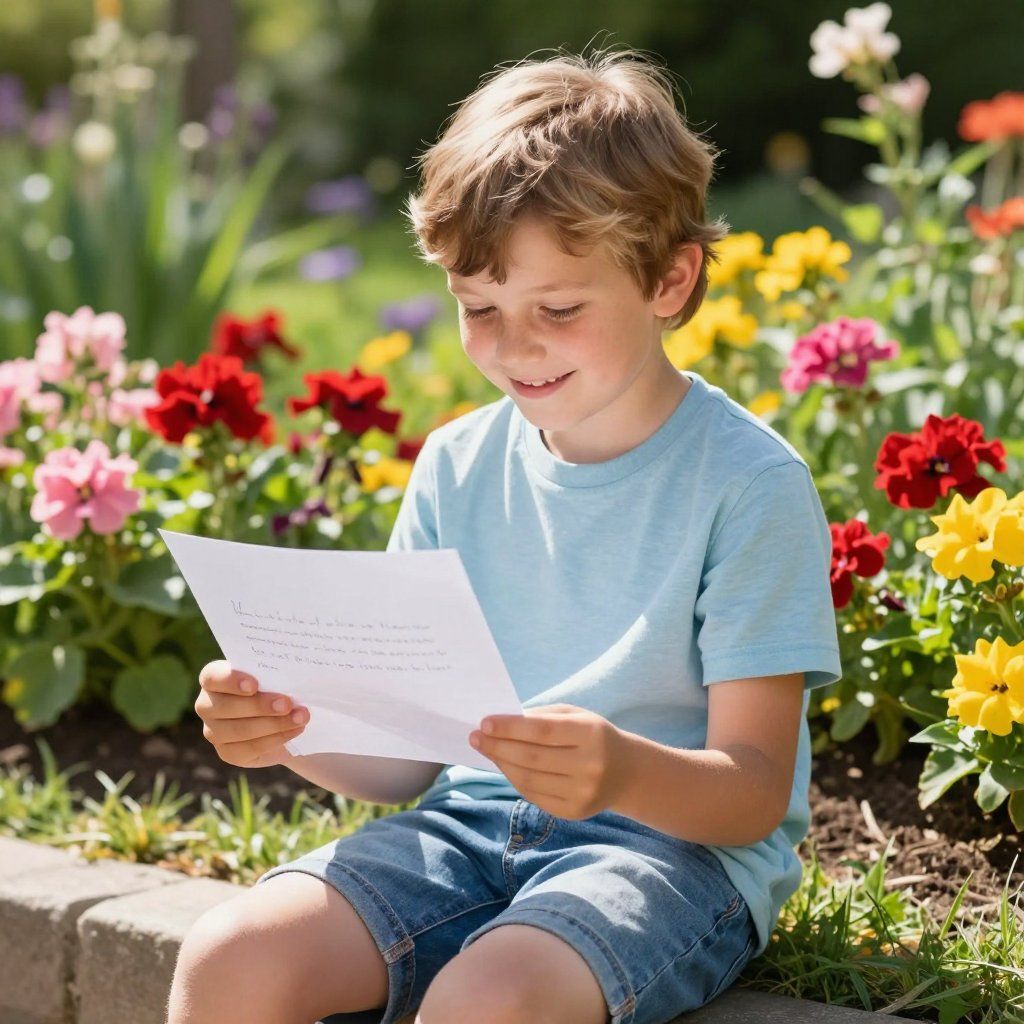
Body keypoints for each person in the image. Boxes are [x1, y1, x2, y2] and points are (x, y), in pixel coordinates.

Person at [167, 45, 842, 1024]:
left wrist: (619, 767)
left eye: (556, 308)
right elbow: (403, 762)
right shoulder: (454, 463)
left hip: (667, 853)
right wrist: (291, 729)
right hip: (470, 824)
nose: (509, 344)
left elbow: (750, 793)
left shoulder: (747, 485)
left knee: (488, 1001)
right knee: (231, 956)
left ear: (668, 279)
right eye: (477, 307)